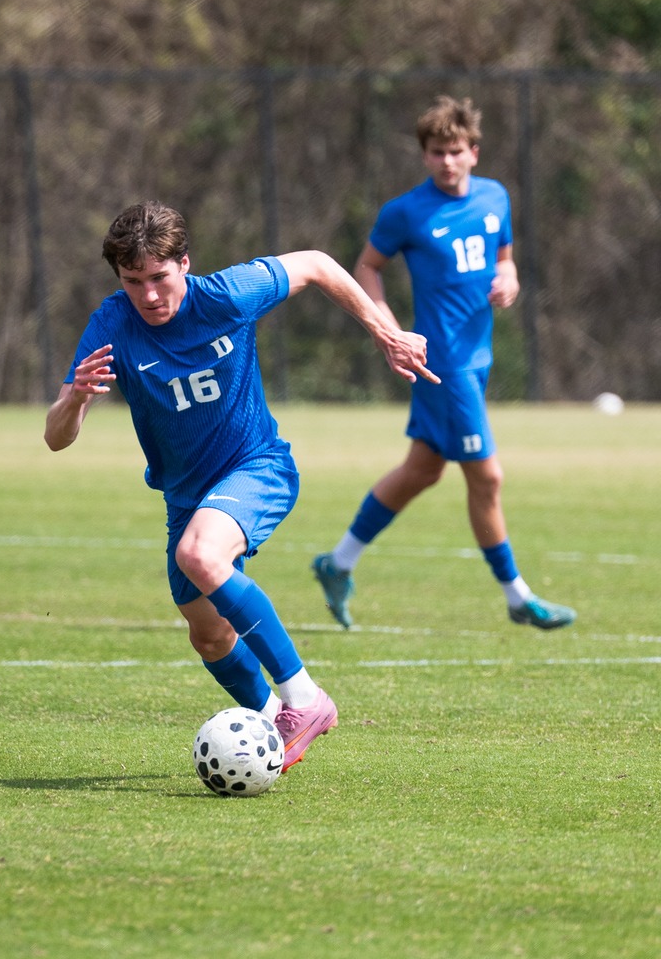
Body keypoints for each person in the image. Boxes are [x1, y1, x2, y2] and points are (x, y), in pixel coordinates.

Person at [45, 201, 438, 771]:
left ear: (185, 263)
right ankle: (273, 728)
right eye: (134, 282)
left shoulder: (226, 296)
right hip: (186, 496)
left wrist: (386, 332)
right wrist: (76, 398)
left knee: (200, 554)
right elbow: (58, 437)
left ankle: (306, 700)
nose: (150, 296)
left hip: (257, 468)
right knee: (208, 636)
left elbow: (320, 265)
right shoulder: (111, 325)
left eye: (160, 278)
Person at [312, 96, 577, 632]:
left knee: (421, 471)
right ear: (424, 156)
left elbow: (504, 259)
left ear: (474, 152)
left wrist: (511, 277)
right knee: (488, 478)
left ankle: (336, 563)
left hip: (478, 359)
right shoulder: (406, 212)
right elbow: (366, 266)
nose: (447, 161)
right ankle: (517, 596)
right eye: (436, 153)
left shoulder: (495, 197)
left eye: (456, 151)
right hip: (445, 364)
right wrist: (388, 328)